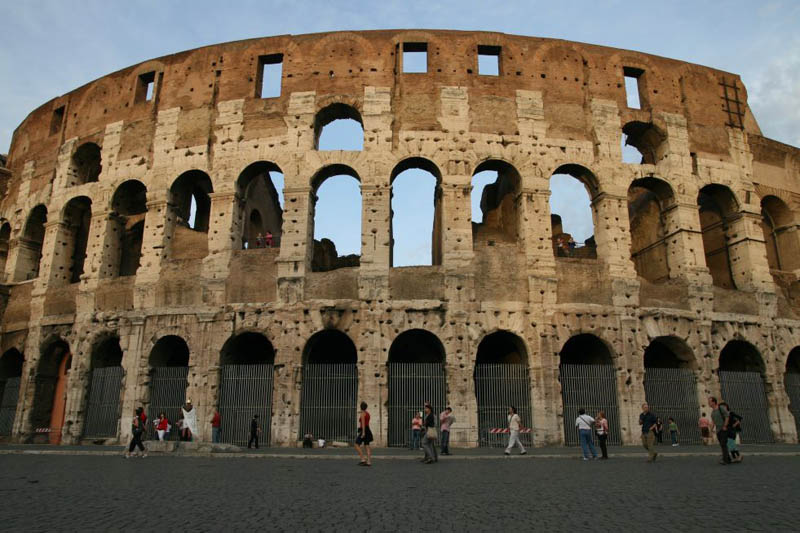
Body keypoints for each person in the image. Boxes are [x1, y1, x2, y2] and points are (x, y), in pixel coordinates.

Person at [708, 397, 731, 465]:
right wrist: (710, 431)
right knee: (722, 445)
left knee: (723, 444)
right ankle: (728, 459)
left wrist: (725, 426)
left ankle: (725, 460)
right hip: (718, 431)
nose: (708, 403)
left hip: (724, 429)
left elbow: (727, 416)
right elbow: (713, 422)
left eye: (709, 401)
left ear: (714, 402)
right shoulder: (712, 413)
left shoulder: (721, 408)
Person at [354, 401, 373, 466]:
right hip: (368, 429)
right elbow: (366, 423)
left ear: (360, 407)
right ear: (366, 407)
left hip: (364, 430)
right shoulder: (367, 413)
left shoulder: (362, 414)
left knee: (356, 444)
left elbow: (363, 423)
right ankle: (369, 462)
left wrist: (363, 433)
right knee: (367, 446)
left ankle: (363, 459)